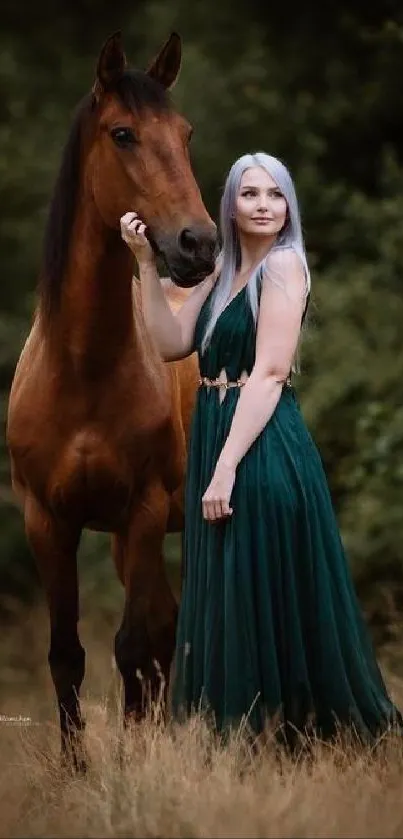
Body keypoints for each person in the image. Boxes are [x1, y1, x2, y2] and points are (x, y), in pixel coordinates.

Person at [120, 152, 402, 748]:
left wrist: (223, 470)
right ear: (231, 205)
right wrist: (147, 264)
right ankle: (237, 738)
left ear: (288, 206)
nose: (265, 205)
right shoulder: (222, 270)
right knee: (227, 584)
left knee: (263, 582)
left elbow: (270, 374)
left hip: (260, 444)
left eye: (276, 194)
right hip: (218, 437)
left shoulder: (284, 267)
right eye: (250, 194)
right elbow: (170, 343)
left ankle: (292, 734)